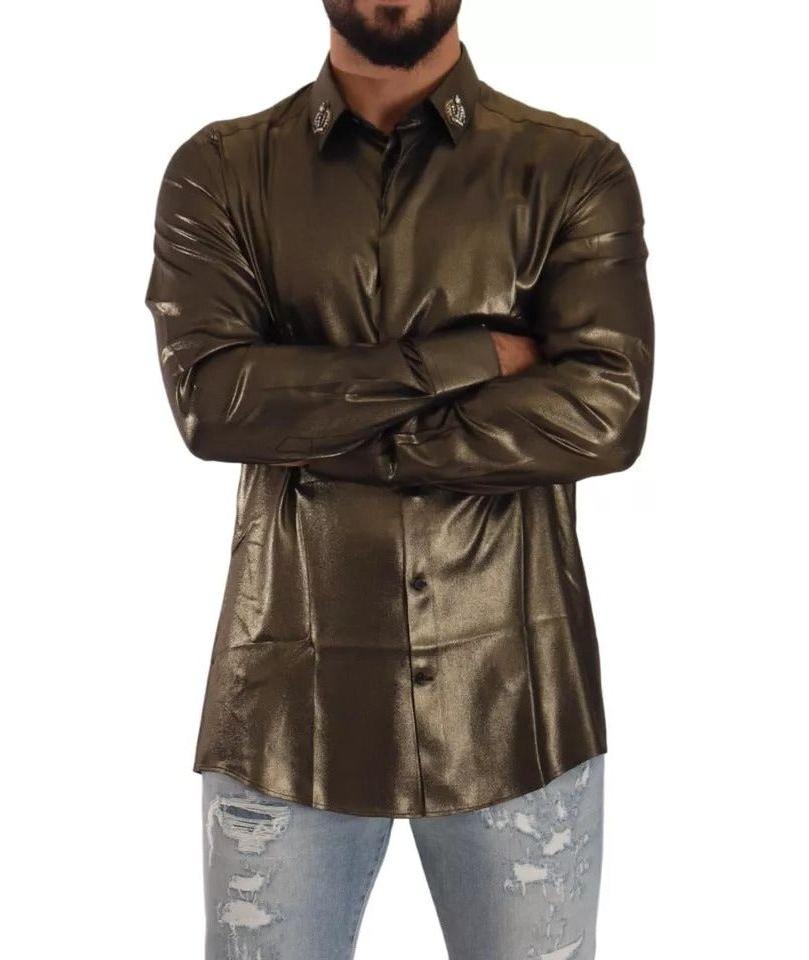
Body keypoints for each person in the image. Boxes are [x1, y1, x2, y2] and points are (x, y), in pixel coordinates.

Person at [144, 1, 654, 957]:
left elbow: (605, 412)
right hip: (285, 714)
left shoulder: (571, 168)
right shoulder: (218, 172)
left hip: (519, 708)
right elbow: (215, 404)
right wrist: (465, 359)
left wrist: (324, 429)